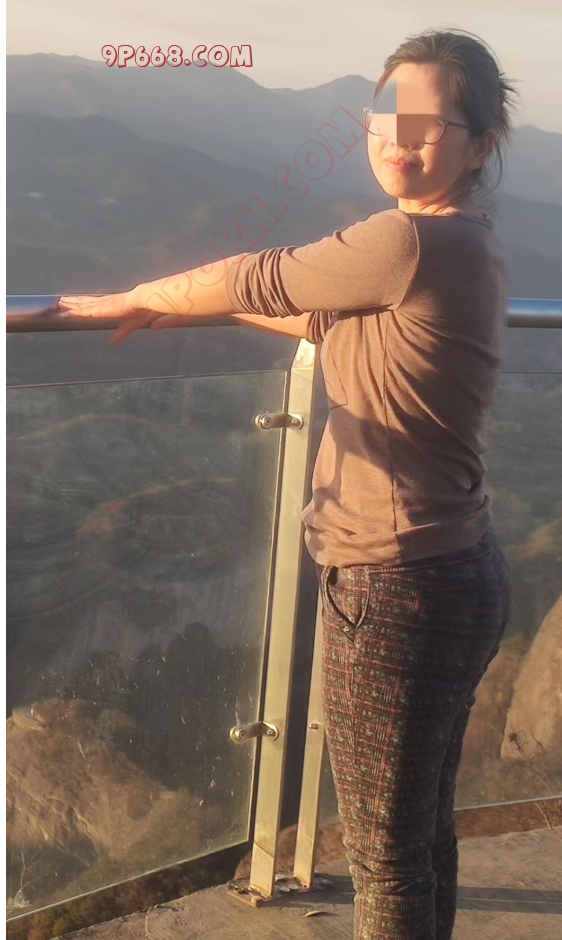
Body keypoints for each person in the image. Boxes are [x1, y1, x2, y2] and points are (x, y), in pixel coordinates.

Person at [60, 27, 520, 940]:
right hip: (455, 564)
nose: (398, 139)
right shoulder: (464, 242)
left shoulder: (406, 239)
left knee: (385, 856)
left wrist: (141, 293)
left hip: (395, 581)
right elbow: (321, 316)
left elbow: (257, 274)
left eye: (428, 123)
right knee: (419, 834)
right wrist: (195, 307)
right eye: (385, 117)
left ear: (480, 145)